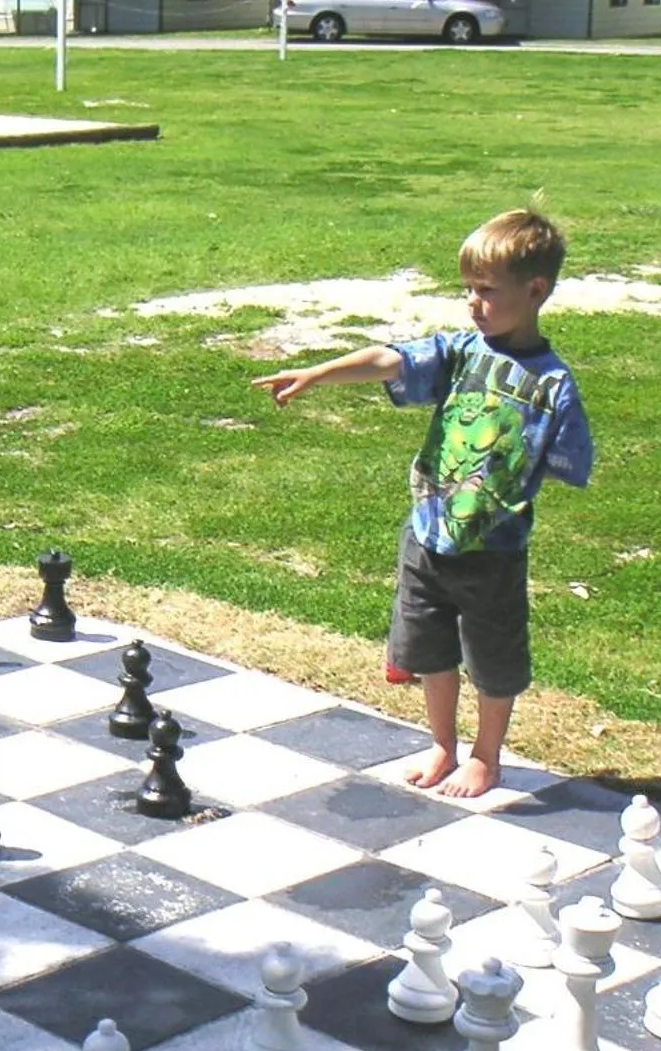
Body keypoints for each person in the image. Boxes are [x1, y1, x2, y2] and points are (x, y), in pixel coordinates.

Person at [253, 208, 594, 797]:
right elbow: (393, 359)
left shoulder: (553, 384)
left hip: (493, 549)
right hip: (427, 534)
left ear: (535, 290)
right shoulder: (461, 352)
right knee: (430, 649)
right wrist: (319, 372)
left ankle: (486, 756)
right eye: (468, 289)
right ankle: (442, 745)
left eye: (486, 291)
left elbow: (570, 460)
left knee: (491, 659)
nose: (473, 303)